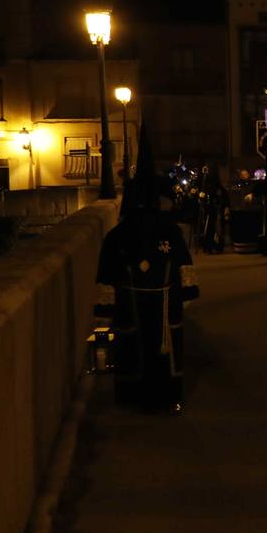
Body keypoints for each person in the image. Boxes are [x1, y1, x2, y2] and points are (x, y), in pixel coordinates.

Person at [93, 125, 199, 413]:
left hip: (145, 304)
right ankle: (163, 398)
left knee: (140, 349)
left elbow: (106, 273)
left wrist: (105, 310)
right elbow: (184, 265)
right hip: (156, 304)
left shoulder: (118, 235)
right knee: (145, 350)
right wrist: (187, 293)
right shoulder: (165, 231)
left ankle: (137, 398)